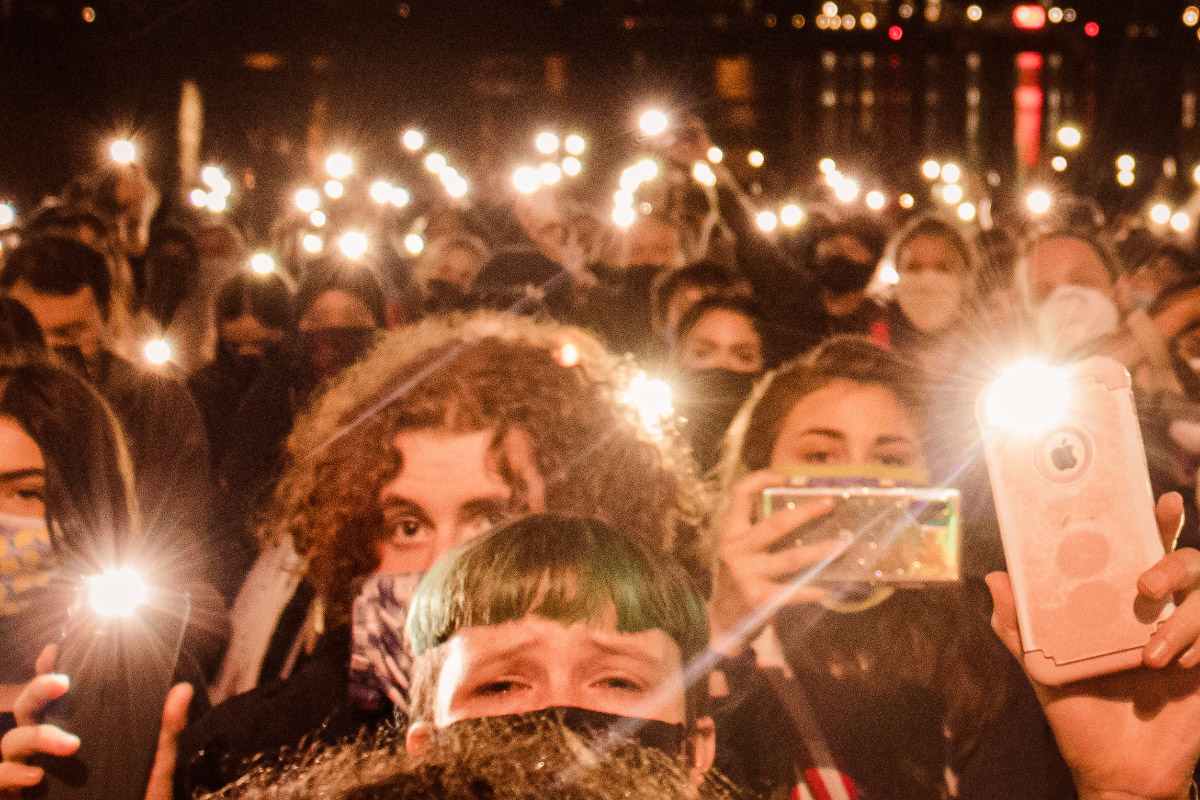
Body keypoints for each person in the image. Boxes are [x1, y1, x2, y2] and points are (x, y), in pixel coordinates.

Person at [182, 312, 705, 795]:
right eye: (409, 526)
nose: (444, 562)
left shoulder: (665, 731)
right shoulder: (245, 755)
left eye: (492, 522)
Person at [707, 336, 1070, 799]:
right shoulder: (711, 639)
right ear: (757, 477)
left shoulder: (988, 639)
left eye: (891, 458)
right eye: (820, 455)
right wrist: (722, 633)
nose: (858, 480)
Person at [0, 236, 218, 623]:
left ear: (105, 318)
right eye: (39, 334)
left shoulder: (157, 404)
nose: (53, 351)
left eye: (71, 333)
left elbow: (179, 539)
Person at [187, 270, 296, 467]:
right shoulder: (203, 387)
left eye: (261, 345)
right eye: (235, 346)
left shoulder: (296, 388)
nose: (248, 354)